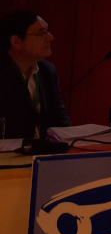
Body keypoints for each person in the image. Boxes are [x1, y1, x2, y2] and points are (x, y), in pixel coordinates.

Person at [0, 10, 71, 139]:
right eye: (41, 33)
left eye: (47, 31)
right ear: (16, 41)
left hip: (42, 150)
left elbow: (61, 121)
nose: (50, 37)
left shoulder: (47, 71)